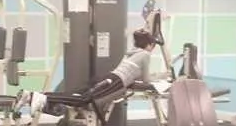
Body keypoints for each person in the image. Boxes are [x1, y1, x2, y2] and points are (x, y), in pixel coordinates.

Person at [13, 29, 157, 119]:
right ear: (150, 45)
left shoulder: (132, 52)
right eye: (153, 46)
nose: (152, 49)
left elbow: (132, 72)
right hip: (116, 82)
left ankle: (34, 96)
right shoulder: (145, 54)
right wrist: (158, 79)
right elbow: (146, 80)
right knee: (83, 100)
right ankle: (40, 97)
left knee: (80, 97)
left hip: (111, 77)